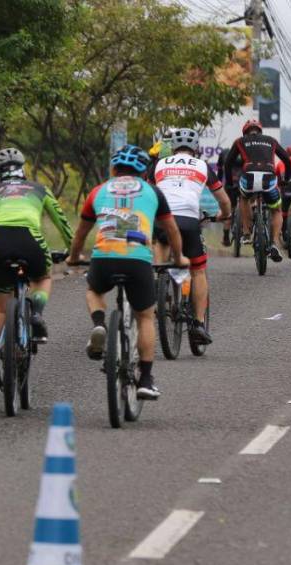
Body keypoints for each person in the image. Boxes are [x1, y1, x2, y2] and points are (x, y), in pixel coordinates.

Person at [66, 145, 183, 400]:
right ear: (143, 171)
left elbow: (81, 232)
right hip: (138, 258)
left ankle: (99, 325)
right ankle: (146, 379)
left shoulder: (98, 191)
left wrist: (74, 258)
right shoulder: (153, 191)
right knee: (145, 316)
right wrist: (180, 257)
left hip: (104, 257)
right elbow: (172, 230)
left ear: (113, 169)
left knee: (94, 291)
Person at [0, 148, 73, 390]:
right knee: (43, 276)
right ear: (23, 168)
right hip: (30, 242)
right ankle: (36, 313)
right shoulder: (39, 189)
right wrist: (72, 249)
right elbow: (61, 222)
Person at [151, 128, 231, 345]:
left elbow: (148, 191)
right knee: (198, 271)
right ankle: (197, 323)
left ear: (173, 147)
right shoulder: (202, 166)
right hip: (188, 219)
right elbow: (223, 200)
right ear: (195, 148)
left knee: (161, 242)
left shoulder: (159, 164)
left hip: (162, 216)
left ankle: (159, 285)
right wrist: (224, 216)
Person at [222, 119, 291, 262]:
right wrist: (286, 179)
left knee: (244, 198)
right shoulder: (271, 140)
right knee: (276, 210)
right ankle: (274, 242)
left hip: (249, 179)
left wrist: (229, 183)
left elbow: (227, 164)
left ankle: (247, 233)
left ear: (245, 131)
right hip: (269, 179)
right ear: (260, 130)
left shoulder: (240, 141)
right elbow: (287, 160)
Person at [217, 145, 243, 246]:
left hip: (229, 183)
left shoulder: (224, 153)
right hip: (242, 183)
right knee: (245, 203)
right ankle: (246, 231)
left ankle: (226, 237)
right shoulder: (244, 152)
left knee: (229, 209)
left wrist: (219, 182)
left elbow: (219, 171)